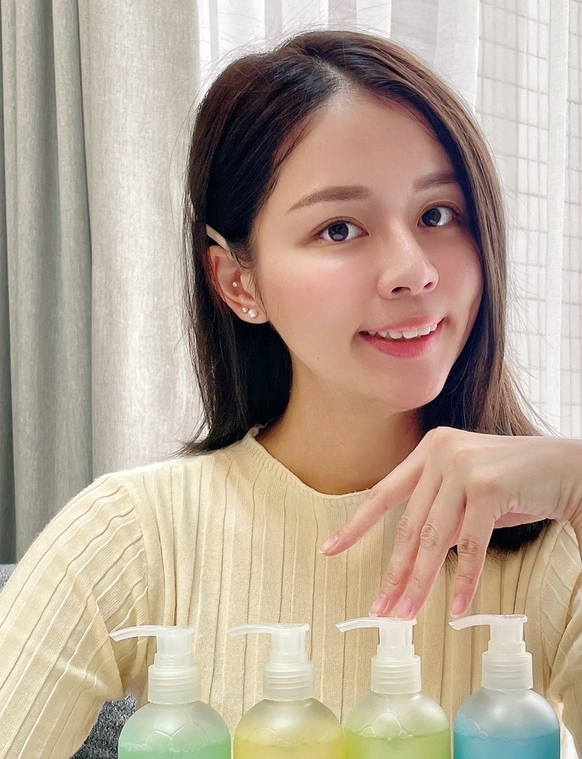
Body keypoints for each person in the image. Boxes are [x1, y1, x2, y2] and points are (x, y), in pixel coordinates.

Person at [0, 28, 581, 759]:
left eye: (437, 214)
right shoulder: (131, 537)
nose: (413, 271)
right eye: (339, 228)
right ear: (238, 282)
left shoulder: (546, 540)